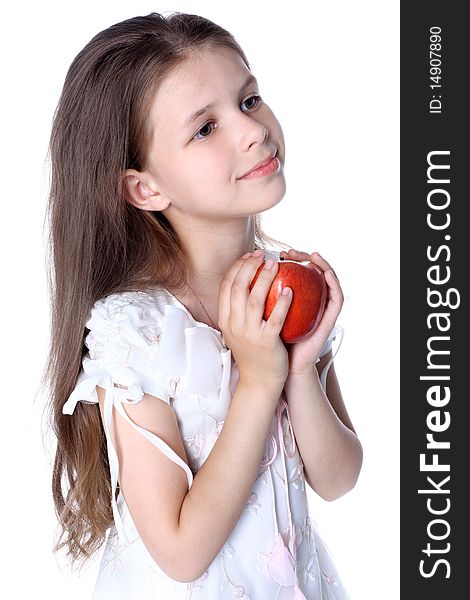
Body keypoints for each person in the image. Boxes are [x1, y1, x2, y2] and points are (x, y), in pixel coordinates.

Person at [45, 11, 363, 599]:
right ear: (146, 188)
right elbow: (182, 551)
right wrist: (259, 383)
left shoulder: (285, 289)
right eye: (205, 128)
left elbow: (338, 477)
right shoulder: (139, 332)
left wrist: (298, 370)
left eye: (248, 101)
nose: (252, 132)